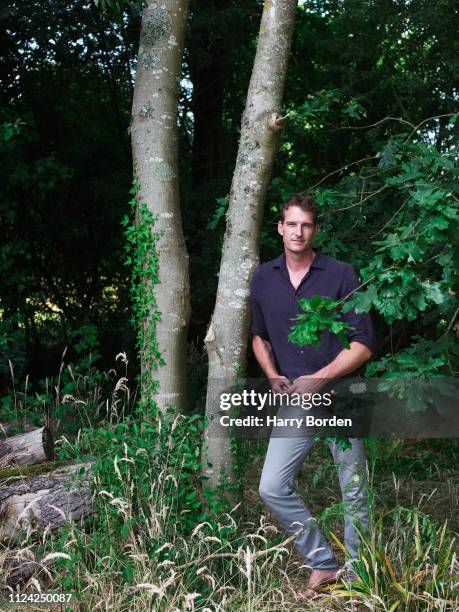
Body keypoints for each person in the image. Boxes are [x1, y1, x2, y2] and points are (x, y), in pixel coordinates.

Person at [250, 194, 376, 599]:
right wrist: (271, 374)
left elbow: (364, 345)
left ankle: (359, 576)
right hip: (295, 399)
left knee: (352, 487)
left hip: (342, 395)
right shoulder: (263, 277)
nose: (298, 231)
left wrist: (319, 377)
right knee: (271, 485)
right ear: (280, 228)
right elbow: (259, 336)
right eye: (291, 224)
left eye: (306, 225)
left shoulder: (340, 274)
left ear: (315, 230)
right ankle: (322, 563)